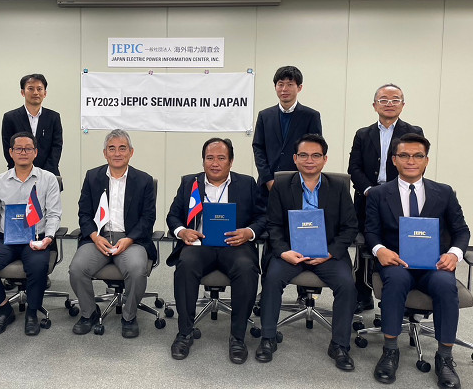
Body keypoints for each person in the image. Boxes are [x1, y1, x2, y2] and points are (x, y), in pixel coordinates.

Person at [365, 133, 470, 389]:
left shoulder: (444, 192)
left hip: (434, 264)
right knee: (396, 281)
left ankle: (445, 357)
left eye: (417, 156)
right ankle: (390, 351)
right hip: (396, 262)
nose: (411, 161)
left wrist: (454, 254)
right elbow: (371, 232)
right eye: (404, 155)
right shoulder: (379, 194)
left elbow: (461, 231)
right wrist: (380, 250)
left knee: (446, 286)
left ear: (426, 160)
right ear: (394, 160)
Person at [255, 134, 358, 370]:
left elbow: (350, 227)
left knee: (347, 285)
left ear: (324, 159)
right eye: (303, 155)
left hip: (327, 253)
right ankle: (268, 337)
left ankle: (340, 345)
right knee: (272, 279)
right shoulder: (281, 186)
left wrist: (330, 253)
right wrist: (283, 252)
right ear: (295, 158)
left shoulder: (338, 188)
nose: (309, 160)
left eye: (315, 155)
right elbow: (273, 225)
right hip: (291, 252)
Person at [166, 138, 266, 363]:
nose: (215, 163)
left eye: (221, 158)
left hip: (235, 245)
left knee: (246, 267)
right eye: (210, 158)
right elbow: (173, 216)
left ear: (231, 161)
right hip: (200, 244)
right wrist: (182, 231)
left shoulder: (247, 183)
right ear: (203, 161)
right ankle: (184, 333)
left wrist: (248, 232)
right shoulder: (189, 183)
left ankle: (238, 337)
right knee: (186, 264)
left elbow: (263, 217)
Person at [69, 129, 156, 338]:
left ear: (131, 152)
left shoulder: (143, 180)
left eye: (122, 148)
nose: (117, 153)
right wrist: (94, 236)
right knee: (77, 269)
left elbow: (148, 218)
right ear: (105, 153)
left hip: (131, 240)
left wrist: (129, 239)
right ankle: (89, 313)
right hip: (99, 238)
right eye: (112, 148)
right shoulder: (93, 177)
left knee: (137, 269)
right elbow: (84, 213)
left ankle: (129, 316)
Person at [0, 131, 62, 336]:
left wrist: (49, 238)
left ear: (35, 152)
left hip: (37, 238)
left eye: (28, 148)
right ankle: (4, 309)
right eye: (19, 149)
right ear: (11, 152)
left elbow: (54, 214)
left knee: (38, 266)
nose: (23, 152)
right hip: (6, 239)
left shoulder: (48, 179)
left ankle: (32, 312)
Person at [348, 83, 424, 313]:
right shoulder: (363, 134)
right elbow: (354, 168)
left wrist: (392, 191)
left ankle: (399, 296)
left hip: (400, 198)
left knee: (399, 243)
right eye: (383, 100)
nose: (389, 104)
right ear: (374, 105)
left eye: (395, 100)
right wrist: (369, 190)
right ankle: (362, 295)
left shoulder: (414, 132)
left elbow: (415, 165)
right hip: (367, 197)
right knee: (365, 244)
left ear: (403, 104)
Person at [252, 65, 322, 201]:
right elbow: (258, 148)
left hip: (300, 184)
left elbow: (315, 151)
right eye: (280, 84)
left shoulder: (311, 116)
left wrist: (305, 179)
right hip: (267, 185)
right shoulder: (264, 116)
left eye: (290, 84)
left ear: (299, 88)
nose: (284, 89)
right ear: (275, 87)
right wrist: (268, 179)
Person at [1, 74, 63, 180]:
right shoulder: (10, 118)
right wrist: (24, 171)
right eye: (30, 89)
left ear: (45, 93)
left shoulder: (53, 117)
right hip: (19, 175)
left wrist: (44, 174)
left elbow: (56, 147)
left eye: (39, 89)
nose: (35, 93)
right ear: (22, 92)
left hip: (48, 174)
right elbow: (8, 148)